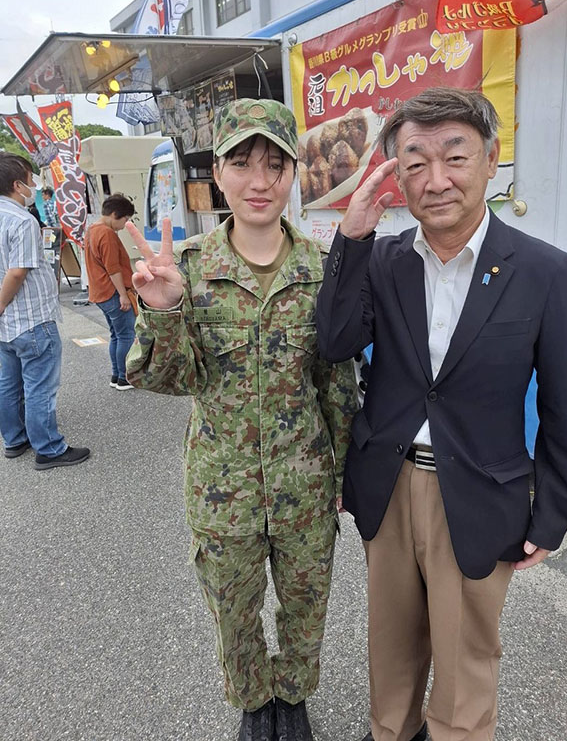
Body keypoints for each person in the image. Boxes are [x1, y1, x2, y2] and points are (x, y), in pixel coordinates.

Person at [316, 86, 567, 741]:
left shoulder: (543, 272)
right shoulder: (381, 260)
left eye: (455, 157)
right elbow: (333, 340)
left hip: (482, 491)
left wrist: (550, 515)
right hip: (388, 486)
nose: (436, 180)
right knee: (392, 648)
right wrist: (352, 233)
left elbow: (562, 405)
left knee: (466, 660)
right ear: (395, 175)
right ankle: (391, 731)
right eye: (415, 162)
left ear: (492, 161)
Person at [125, 99, 357, 741]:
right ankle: (256, 704)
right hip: (222, 490)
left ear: (292, 174)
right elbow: (163, 379)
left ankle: (295, 697)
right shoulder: (188, 268)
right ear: (219, 174)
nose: (260, 181)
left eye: (275, 163)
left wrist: (344, 475)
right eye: (242, 163)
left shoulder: (320, 269)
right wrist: (167, 311)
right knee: (234, 610)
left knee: (307, 608)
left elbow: (336, 383)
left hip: (305, 485)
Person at [0, 152, 90, 469]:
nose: (33, 186)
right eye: (30, 180)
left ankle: (14, 439)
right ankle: (49, 448)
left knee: (8, 384)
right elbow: (17, 271)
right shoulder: (22, 220)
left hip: (6, 327)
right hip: (30, 318)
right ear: (17, 185)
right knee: (39, 387)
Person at [84, 194, 136, 390]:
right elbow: (113, 268)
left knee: (116, 334)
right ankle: (124, 377)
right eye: (125, 219)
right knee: (126, 335)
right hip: (112, 292)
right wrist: (123, 294)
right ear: (115, 214)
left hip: (99, 292)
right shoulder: (107, 234)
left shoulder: (92, 230)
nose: (124, 225)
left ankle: (116, 374)